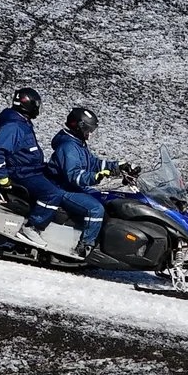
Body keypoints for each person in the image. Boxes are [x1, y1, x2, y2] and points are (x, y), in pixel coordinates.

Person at [0, 88, 99, 251]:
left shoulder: (21, 121)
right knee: (53, 193)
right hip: (21, 172)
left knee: (56, 182)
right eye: (37, 105)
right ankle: (32, 227)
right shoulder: (14, 126)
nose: (38, 109)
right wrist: (2, 177)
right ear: (28, 104)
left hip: (30, 168)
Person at [50, 106, 140, 264]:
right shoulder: (68, 147)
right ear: (79, 126)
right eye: (89, 130)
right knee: (95, 209)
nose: (91, 134)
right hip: (62, 188)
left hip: (73, 187)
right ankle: (85, 247)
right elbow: (74, 176)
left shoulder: (77, 143)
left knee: (105, 199)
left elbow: (93, 163)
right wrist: (96, 177)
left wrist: (117, 166)